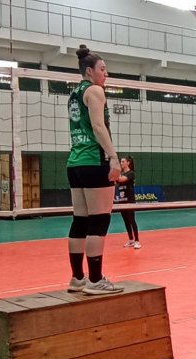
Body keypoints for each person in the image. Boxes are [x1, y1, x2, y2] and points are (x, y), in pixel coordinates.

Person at [66, 44, 123, 295]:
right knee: (99, 221)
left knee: (80, 220)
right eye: (102, 69)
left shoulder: (74, 94)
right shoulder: (95, 91)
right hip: (93, 160)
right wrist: (113, 157)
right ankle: (95, 280)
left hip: (75, 162)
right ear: (89, 71)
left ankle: (78, 278)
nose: (106, 74)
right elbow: (99, 128)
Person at [115, 155, 140, 249]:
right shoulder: (121, 174)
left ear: (128, 163)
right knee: (125, 221)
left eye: (123, 162)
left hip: (129, 201)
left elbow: (121, 179)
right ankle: (131, 240)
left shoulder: (131, 173)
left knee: (131, 220)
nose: (121, 163)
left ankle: (137, 241)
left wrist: (114, 173)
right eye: (120, 162)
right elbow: (116, 182)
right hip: (122, 201)